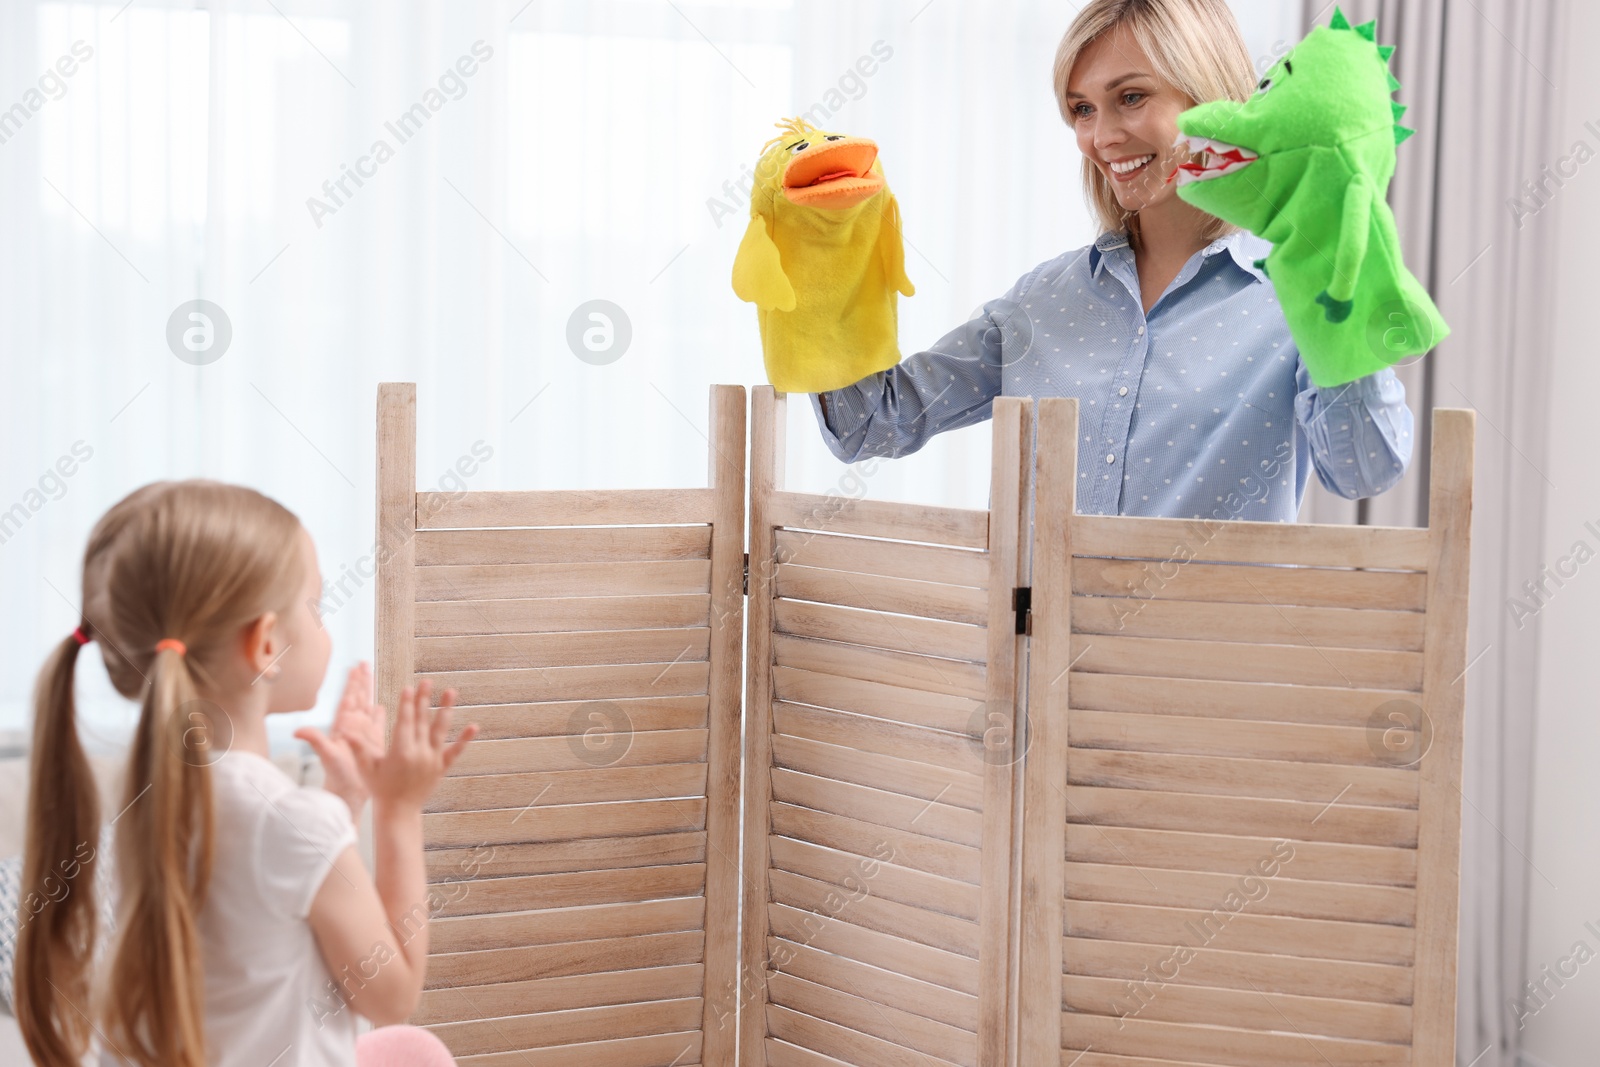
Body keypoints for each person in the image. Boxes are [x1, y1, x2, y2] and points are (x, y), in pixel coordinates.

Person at [811, 0, 1414, 523]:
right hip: (1035, 656)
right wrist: (817, 248)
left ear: (1210, 98)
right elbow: (869, 421)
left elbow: (1364, 470)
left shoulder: (1294, 294)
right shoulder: (1041, 302)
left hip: (1197, 657)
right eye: (1082, 109)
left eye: (1130, 98)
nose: (1101, 137)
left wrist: (1335, 269)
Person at [15, 480, 478, 1067]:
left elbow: (264, 910)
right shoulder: (291, 822)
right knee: (415, 1046)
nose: (325, 626)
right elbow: (393, 994)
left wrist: (344, 801)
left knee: (408, 1053)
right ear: (265, 645)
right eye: (316, 606)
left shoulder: (144, 797)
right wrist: (399, 809)